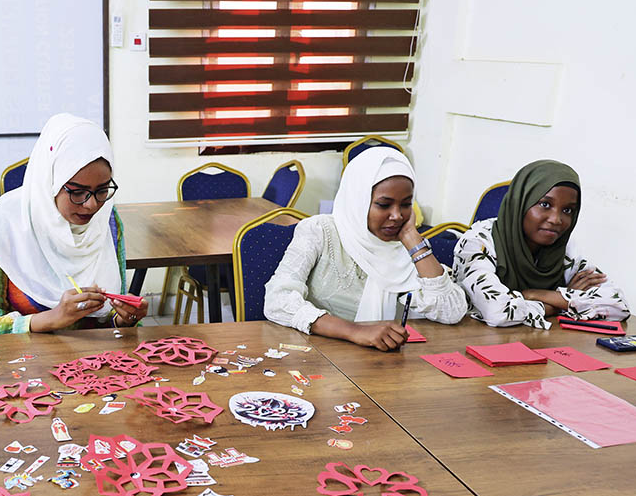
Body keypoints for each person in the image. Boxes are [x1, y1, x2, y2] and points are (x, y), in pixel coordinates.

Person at [263, 148, 466, 351]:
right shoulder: (320, 231)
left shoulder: (406, 248)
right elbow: (277, 300)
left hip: (380, 360)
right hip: (319, 355)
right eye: (384, 205)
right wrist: (355, 331)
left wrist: (412, 238)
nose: (397, 216)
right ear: (358, 201)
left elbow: (451, 312)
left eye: (406, 204)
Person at [0, 113, 149, 334]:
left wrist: (125, 318)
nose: (92, 205)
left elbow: (109, 319)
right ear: (51, 182)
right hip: (25, 355)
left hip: (94, 353)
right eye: (77, 192)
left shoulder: (107, 219)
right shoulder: (2, 223)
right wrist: (53, 318)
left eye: (102, 190)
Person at [453, 160, 629, 328]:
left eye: (567, 210)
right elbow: (498, 312)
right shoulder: (478, 242)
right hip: (468, 339)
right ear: (521, 202)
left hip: (538, 341)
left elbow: (618, 304)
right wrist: (561, 303)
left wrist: (535, 294)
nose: (556, 220)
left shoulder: (563, 248)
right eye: (545, 204)